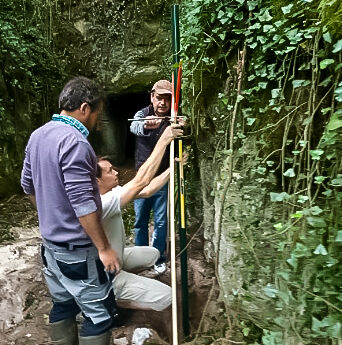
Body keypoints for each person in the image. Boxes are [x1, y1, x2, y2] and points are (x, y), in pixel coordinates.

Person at [21, 77, 120, 345]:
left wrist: (50, 215)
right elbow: (83, 203)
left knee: (63, 305)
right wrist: (103, 248)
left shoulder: (38, 135)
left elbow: (27, 185)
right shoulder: (75, 142)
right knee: (99, 316)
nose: (99, 120)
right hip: (78, 253)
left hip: (50, 248)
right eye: (98, 112)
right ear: (85, 108)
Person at [97, 122, 183, 311]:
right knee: (166, 297)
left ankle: (123, 276)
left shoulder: (110, 193)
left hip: (114, 257)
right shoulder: (100, 204)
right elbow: (141, 180)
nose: (116, 172)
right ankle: (109, 301)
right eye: (110, 170)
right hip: (103, 275)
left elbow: (147, 189)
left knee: (154, 254)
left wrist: (173, 167)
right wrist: (164, 139)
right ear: (96, 180)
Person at [130, 80, 172, 274]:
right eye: (159, 98)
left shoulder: (174, 117)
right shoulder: (142, 114)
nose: (163, 103)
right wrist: (147, 125)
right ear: (152, 97)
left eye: (167, 99)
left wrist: (181, 126)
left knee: (161, 220)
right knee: (140, 220)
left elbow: (184, 131)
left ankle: (158, 257)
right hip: (141, 178)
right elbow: (135, 127)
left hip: (161, 178)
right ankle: (140, 257)